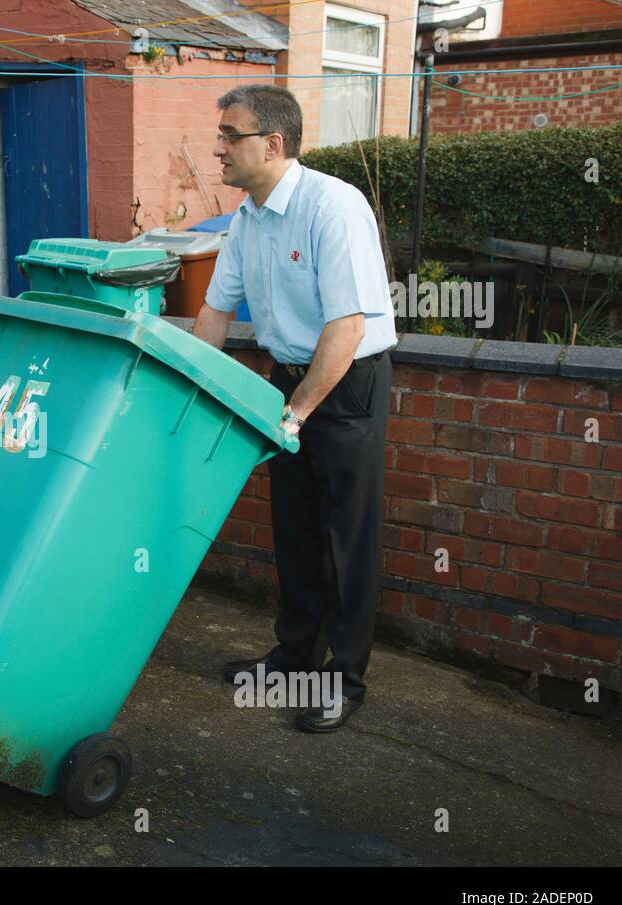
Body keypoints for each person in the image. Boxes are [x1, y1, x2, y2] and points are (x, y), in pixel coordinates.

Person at [193, 85, 397, 732]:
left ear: (272, 144)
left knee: (346, 538)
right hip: (288, 380)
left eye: (230, 135)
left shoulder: (333, 207)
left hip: (346, 383)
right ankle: (292, 658)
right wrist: (197, 392)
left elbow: (348, 330)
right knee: (296, 529)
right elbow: (215, 312)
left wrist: (297, 413)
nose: (218, 147)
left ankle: (344, 681)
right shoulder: (245, 220)